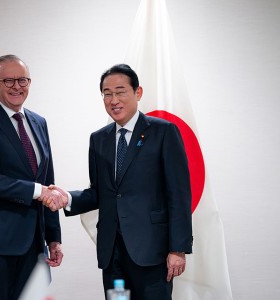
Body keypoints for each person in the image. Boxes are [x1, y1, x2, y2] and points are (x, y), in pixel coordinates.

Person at [44, 64, 193, 300]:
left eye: (121, 91)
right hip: (113, 255)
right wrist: (68, 198)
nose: (114, 100)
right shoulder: (99, 139)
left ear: (138, 92)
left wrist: (178, 248)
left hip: (151, 253)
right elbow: (100, 193)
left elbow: (179, 194)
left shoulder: (163, 132)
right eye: (107, 93)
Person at [0, 54, 65, 300]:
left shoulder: (39, 122)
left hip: (33, 245)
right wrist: (39, 192)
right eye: (8, 81)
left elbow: (47, 181)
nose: (16, 86)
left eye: (22, 80)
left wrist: (53, 238)